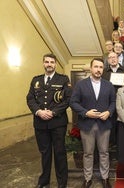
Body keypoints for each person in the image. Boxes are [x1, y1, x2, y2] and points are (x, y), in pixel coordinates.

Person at [26, 53, 72, 188]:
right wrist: (39, 111)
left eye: (52, 62)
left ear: (56, 64)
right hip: (40, 123)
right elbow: (30, 99)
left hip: (57, 123)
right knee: (45, 153)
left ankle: (62, 182)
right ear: (43, 63)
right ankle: (44, 181)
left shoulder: (63, 79)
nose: (49, 64)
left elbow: (68, 99)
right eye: (47, 62)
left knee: (59, 153)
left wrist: (53, 112)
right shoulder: (36, 80)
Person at [70, 58, 116, 188]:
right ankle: (87, 178)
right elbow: (73, 102)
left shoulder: (109, 85)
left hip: (104, 124)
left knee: (104, 152)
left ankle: (105, 178)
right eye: (96, 67)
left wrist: (108, 112)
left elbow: (113, 102)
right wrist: (85, 112)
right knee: (88, 153)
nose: (98, 69)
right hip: (87, 124)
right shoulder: (81, 84)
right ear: (91, 68)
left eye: (101, 67)